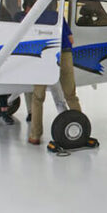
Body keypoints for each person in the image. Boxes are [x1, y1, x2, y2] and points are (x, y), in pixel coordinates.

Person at [28, 10, 82, 146]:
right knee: (71, 95)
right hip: (65, 53)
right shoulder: (57, 15)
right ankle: (80, 129)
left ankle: (35, 136)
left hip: (43, 55)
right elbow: (71, 39)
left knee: (38, 98)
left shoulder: (32, 17)